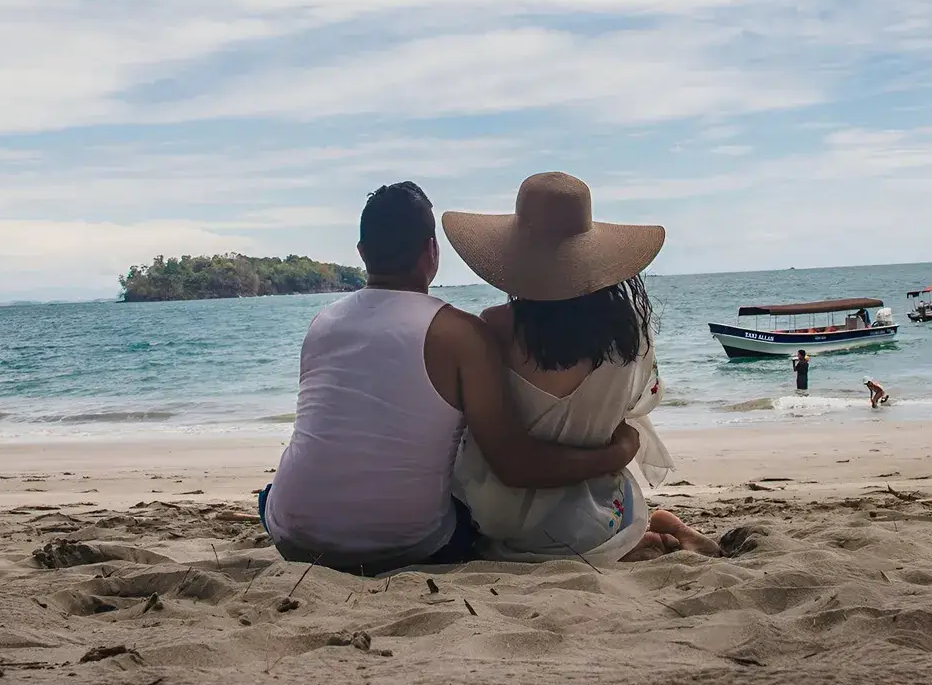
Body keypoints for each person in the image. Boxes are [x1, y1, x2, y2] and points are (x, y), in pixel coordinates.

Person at [260, 182, 641, 574]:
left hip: (293, 538)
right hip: (410, 547)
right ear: (431, 251)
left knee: (271, 495)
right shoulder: (461, 334)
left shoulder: (320, 324)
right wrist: (616, 454)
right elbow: (514, 464)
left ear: (361, 254)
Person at [445, 172, 719, 564]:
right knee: (591, 523)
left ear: (517, 256)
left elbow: (496, 450)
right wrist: (617, 445)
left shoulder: (494, 327)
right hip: (604, 507)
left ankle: (650, 534)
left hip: (505, 519)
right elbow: (636, 410)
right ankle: (648, 529)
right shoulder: (631, 334)